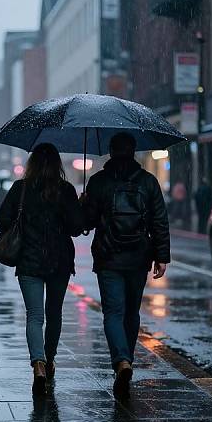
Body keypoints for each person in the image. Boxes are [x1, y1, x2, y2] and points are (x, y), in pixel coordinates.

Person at [83, 132, 170, 399]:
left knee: (113, 312)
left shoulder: (98, 182)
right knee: (132, 312)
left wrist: (85, 206)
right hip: (137, 257)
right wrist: (161, 256)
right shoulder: (148, 182)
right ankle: (126, 359)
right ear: (133, 152)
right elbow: (159, 220)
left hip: (108, 257)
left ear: (110, 151)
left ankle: (120, 360)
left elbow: (85, 223)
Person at [0, 143, 84, 395]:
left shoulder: (20, 189)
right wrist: (78, 206)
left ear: (32, 163)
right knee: (54, 313)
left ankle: (38, 364)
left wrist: (21, 224)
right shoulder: (65, 190)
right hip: (59, 262)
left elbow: (2, 220)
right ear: (57, 164)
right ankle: (50, 358)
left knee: (34, 315)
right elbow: (76, 227)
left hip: (29, 261)